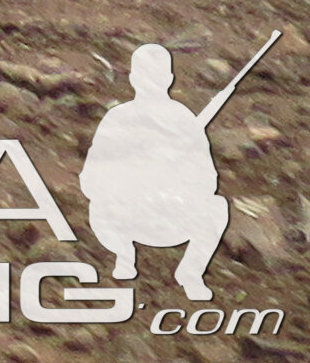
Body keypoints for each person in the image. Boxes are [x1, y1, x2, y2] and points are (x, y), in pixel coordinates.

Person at [81, 43, 231, 301]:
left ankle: (191, 273)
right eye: (145, 75)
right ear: (133, 78)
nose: (151, 82)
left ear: (169, 79)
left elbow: (208, 180)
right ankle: (124, 256)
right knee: (102, 205)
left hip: (170, 215)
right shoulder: (119, 118)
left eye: (157, 76)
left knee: (217, 207)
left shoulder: (184, 121)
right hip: (125, 216)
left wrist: (176, 177)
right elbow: (91, 178)